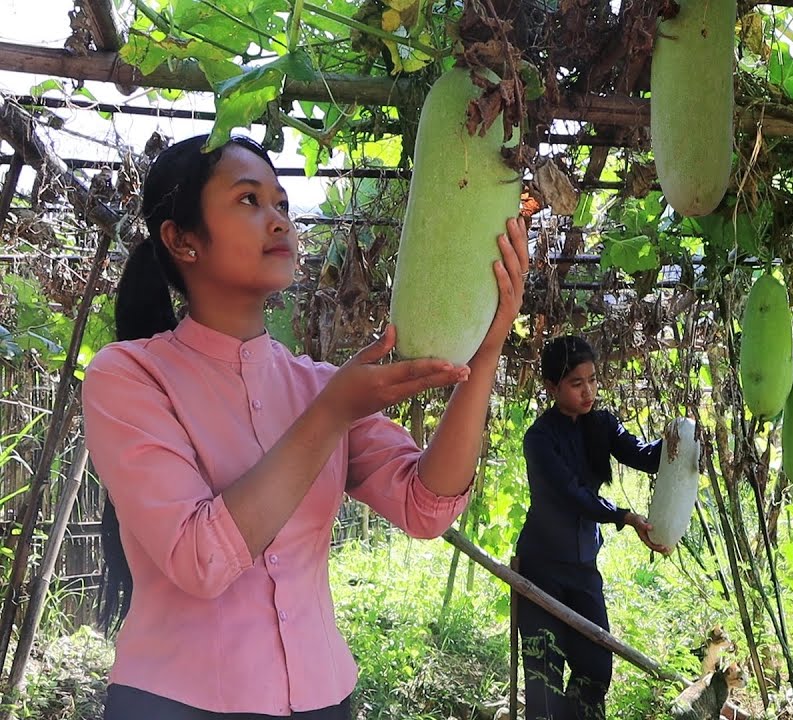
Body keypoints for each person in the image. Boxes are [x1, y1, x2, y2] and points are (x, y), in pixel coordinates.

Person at [81, 133, 529, 719]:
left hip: (323, 700)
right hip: (172, 703)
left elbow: (427, 506)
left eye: (283, 204)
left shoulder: (319, 385)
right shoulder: (128, 377)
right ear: (182, 239)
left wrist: (487, 350)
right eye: (249, 201)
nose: (280, 222)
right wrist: (332, 414)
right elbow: (200, 558)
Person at [516, 335, 673, 720]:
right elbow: (571, 494)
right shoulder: (538, 439)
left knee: (596, 666)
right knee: (544, 673)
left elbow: (641, 455)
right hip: (541, 569)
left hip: (583, 567)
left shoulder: (602, 424)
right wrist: (624, 516)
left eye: (592, 380)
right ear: (551, 387)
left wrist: (676, 441)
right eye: (576, 383)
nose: (589, 391)